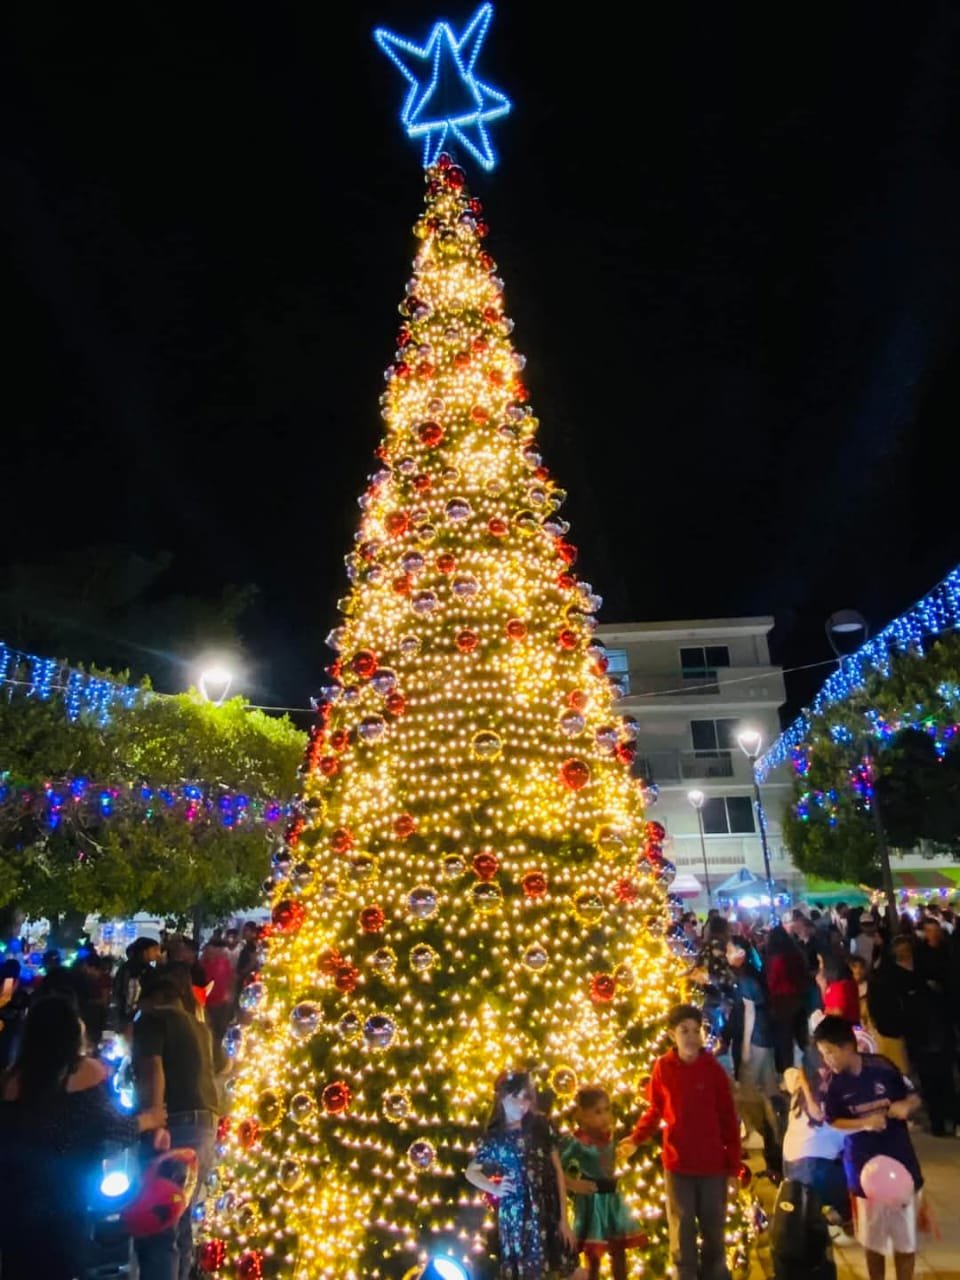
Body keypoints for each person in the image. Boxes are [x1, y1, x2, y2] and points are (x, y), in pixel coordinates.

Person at [0, 995, 167, 1279]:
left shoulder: (10, 1080)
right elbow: (114, 1131)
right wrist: (151, 1119)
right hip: (65, 1205)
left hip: (15, 1206)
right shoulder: (83, 1073)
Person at [617, 1004, 739, 1280]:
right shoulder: (663, 1067)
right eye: (684, 1031)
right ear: (672, 1035)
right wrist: (637, 1138)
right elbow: (655, 1109)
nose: (691, 1036)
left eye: (696, 1030)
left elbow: (728, 1120)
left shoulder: (713, 1071)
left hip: (711, 1167)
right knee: (682, 1230)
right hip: (678, 1164)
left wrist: (732, 1168)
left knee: (713, 1230)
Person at [814, 1016, 923, 1280]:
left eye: (829, 1052)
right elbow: (832, 1120)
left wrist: (906, 1106)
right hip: (864, 1168)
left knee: (905, 1240)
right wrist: (863, 1123)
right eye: (823, 1054)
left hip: (901, 1161)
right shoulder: (832, 1085)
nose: (827, 1060)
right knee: (873, 1241)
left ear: (848, 1048)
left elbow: (915, 1096)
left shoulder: (883, 1068)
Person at [133, 968, 219, 1280]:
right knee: (181, 1221)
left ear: (152, 998)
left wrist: (154, 1117)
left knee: (160, 1225)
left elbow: (152, 1067)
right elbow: (225, 1065)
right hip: (205, 1125)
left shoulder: (152, 1020)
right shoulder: (199, 1027)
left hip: (173, 1125)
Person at [465, 1070, 582, 1280]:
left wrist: (564, 1220)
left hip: (548, 1209)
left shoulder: (541, 1127)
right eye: (514, 1097)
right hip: (517, 1217)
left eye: (525, 1097)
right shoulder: (495, 1138)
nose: (521, 1104)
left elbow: (557, 1172)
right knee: (530, 1271)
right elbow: (471, 1171)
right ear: (502, 1098)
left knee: (570, 1269)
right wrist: (494, 1188)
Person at [559, 1085, 645, 1278]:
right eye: (597, 1112)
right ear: (582, 1115)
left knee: (618, 1250)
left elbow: (611, 1157)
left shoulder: (610, 1137)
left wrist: (625, 1150)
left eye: (607, 1110)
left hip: (613, 1200)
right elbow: (557, 1168)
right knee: (594, 1254)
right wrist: (574, 1185)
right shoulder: (578, 1142)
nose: (604, 1116)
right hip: (592, 1201)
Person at [727, 938, 781, 1175]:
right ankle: (776, 1135)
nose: (727, 954)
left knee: (747, 1093)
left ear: (740, 953)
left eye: (730, 950)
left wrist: (746, 1046)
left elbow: (749, 1012)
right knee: (769, 1090)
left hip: (757, 1038)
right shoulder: (752, 974)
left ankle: (758, 1134)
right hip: (766, 1035)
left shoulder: (745, 979)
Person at [765, 926, 811, 1072]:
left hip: (782, 1002)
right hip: (799, 999)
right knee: (802, 1038)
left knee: (785, 1041)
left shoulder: (777, 959)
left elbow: (772, 982)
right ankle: (813, 1066)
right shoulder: (796, 954)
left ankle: (787, 1073)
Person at [818, 954, 860, 1025]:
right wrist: (823, 986)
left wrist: (822, 1015)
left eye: (821, 963)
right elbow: (829, 1003)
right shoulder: (837, 984)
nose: (820, 967)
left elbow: (838, 1012)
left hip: (843, 1029)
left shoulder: (841, 986)